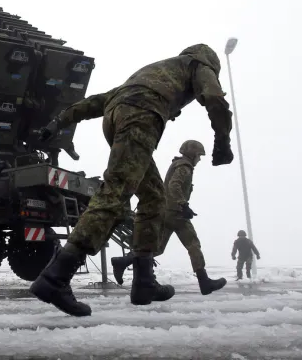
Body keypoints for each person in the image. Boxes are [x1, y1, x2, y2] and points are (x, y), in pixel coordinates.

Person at [29, 44, 234, 317]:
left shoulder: (152, 74)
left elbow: (94, 103)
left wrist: (56, 124)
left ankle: (144, 281)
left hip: (117, 118)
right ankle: (55, 278)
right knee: (116, 192)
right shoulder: (199, 65)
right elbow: (215, 99)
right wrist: (222, 143)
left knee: (153, 197)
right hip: (141, 118)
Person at [110, 140, 227, 295]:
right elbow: (174, 185)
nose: (199, 159)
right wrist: (183, 205)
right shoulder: (185, 166)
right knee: (193, 244)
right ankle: (204, 282)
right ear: (192, 154)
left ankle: (123, 261)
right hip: (176, 213)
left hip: (166, 211)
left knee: (157, 248)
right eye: (199, 155)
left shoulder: (179, 164)